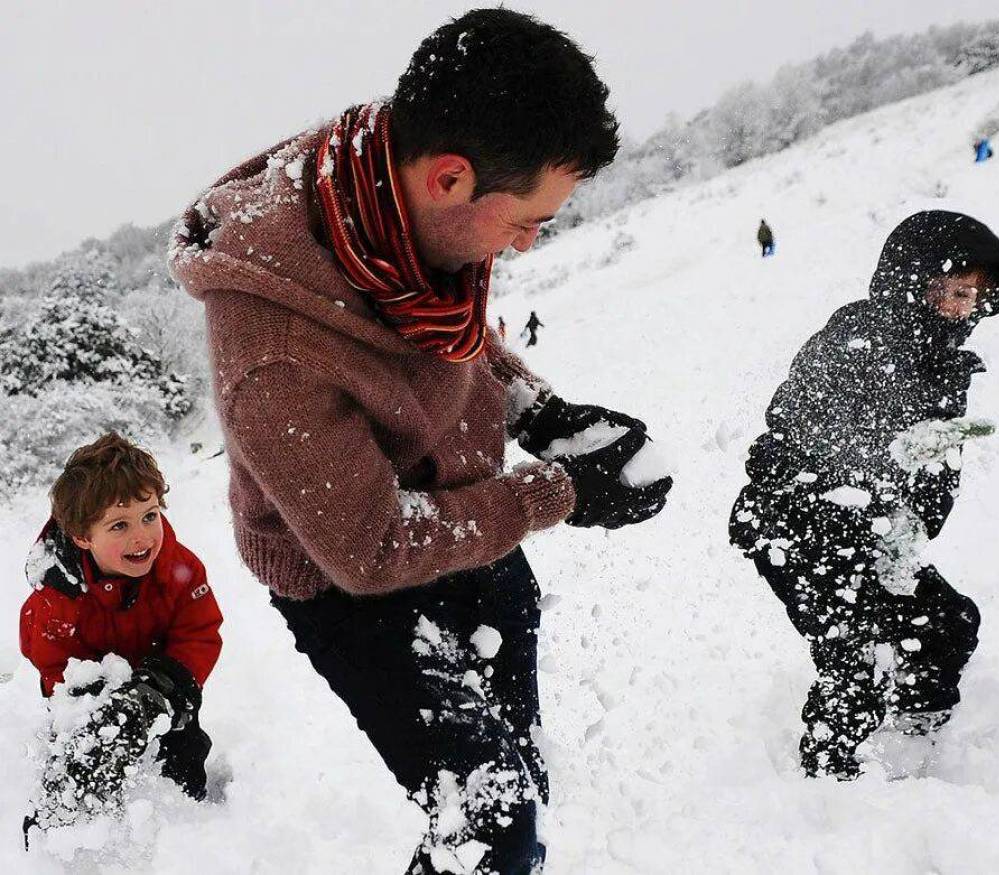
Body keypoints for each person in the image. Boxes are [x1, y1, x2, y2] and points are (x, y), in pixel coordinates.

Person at [169, 9, 672, 873]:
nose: (527, 242)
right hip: (351, 584)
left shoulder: (389, 199)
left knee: (521, 781)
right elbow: (368, 547)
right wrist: (561, 492)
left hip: (470, 525)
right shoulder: (271, 342)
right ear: (449, 178)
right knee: (493, 823)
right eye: (525, 222)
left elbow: (447, 339)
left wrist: (540, 412)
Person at [729, 210, 999, 780]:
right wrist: (879, 467)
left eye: (975, 297)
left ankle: (912, 744)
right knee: (857, 659)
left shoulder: (945, 366)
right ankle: (827, 790)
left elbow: (931, 494)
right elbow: (800, 423)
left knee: (946, 622)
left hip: (873, 534)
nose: (968, 308)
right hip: (795, 524)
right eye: (958, 291)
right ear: (917, 280)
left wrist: (917, 494)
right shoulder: (862, 334)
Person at [20, 433, 222, 834]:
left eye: (149, 516)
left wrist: (164, 685)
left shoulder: (180, 570)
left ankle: (195, 830)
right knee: (89, 749)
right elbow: (51, 659)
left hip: (162, 681)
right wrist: (94, 701)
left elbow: (200, 631)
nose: (142, 537)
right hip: (87, 687)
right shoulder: (58, 595)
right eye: (119, 525)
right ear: (82, 537)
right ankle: (67, 827)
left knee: (184, 750)